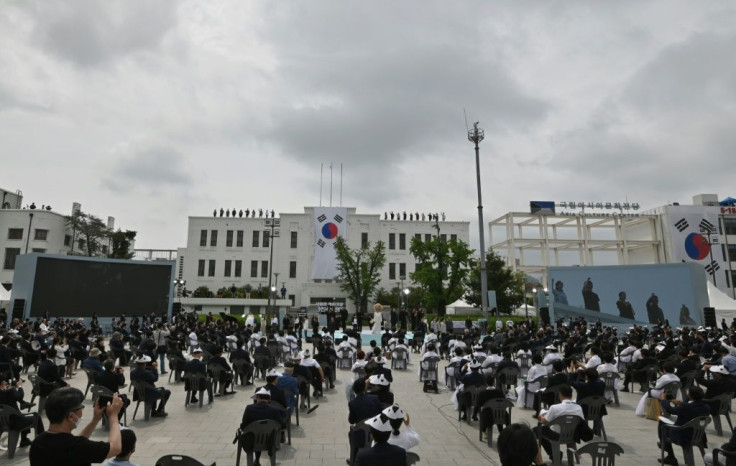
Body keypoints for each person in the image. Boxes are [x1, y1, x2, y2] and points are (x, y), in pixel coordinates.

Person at [29, 387, 123, 465]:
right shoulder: (78, 447)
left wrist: (95, 420)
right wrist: (114, 417)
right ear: (71, 417)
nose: (82, 411)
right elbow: (115, 448)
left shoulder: (37, 443)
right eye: (81, 407)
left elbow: (72, 443)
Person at [658, 386, 711, 465]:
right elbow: (692, 407)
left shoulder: (686, 407)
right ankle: (663, 444)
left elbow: (671, 410)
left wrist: (663, 400)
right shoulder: (707, 407)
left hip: (682, 435)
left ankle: (669, 453)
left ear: (690, 395)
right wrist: (681, 403)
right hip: (698, 435)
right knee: (667, 426)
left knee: (662, 425)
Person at [535, 385, 584, 460]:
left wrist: (540, 416)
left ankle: (553, 454)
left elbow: (544, 421)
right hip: (572, 434)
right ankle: (566, 458)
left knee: (537, 430)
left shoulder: (554, 407)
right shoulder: (579, 407)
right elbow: (581, 421)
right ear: (571, 396)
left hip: (556, 435)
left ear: (560, 395)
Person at [239, 387, 284, 466]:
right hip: (269, 441)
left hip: (251, 442)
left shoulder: (249, 408)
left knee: (255, 432)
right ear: (268, 399)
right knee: (262, 430)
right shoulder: (275, 410)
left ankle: (256, 461)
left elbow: (243, 426)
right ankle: (258, 460)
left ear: (258, 397)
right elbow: (282, 425)